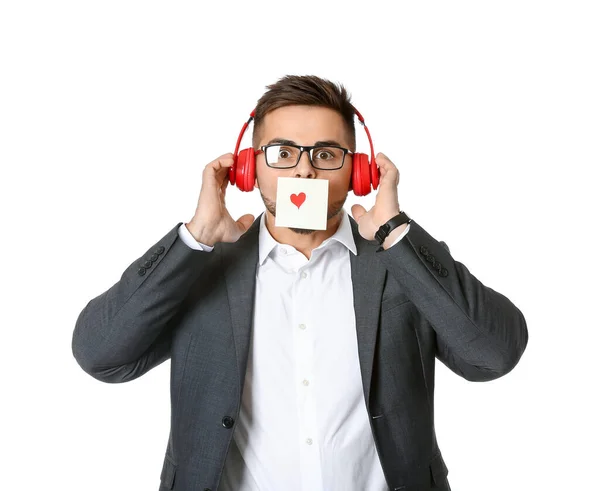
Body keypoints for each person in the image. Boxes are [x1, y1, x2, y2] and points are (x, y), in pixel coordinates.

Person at [72, 74, 528, 491]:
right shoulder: (199, 268)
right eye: (283, 153)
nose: (304, 172)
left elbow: (494, 354)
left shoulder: (400, 264)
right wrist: (195, 238)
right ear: (249, 170)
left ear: (359, 172)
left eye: (326, 154)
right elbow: (100, 354)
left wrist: (397, 233)